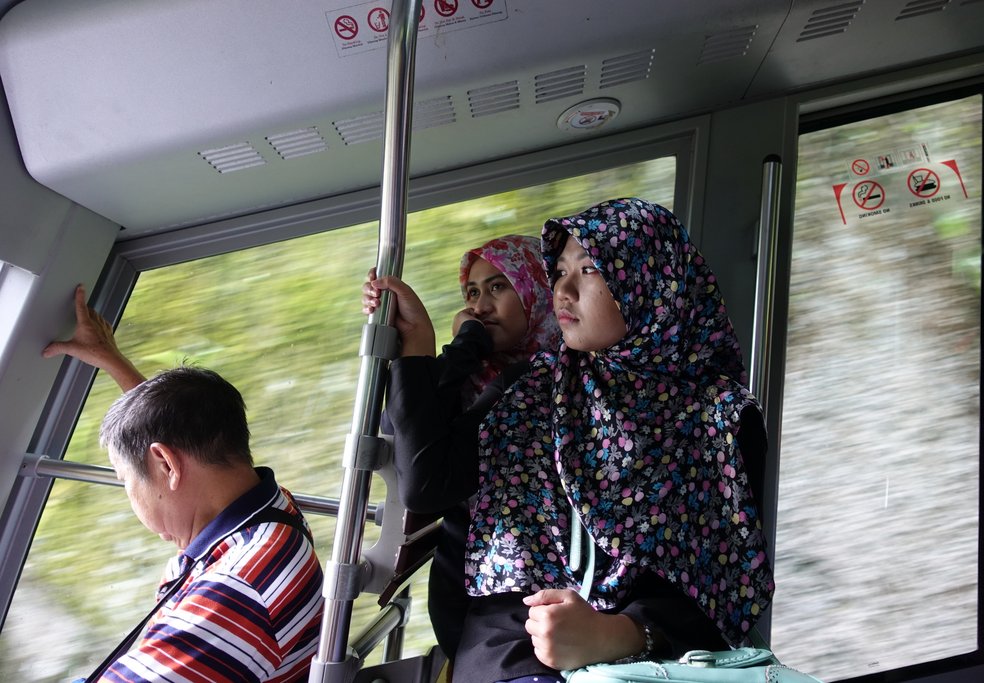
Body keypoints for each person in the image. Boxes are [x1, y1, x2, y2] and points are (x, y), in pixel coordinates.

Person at [382, 198, 774, 683]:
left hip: (657, 650)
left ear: (650, 282)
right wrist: (416, 349)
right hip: (516, 639)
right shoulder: (534, 387)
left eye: (588, 270)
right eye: (559, 272)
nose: (563, 291)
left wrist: (618, 634)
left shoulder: (722, 416)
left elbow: (728, 581)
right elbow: (428, 482)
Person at [43, 286, 324, 683]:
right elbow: (176, 436)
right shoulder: (272, 513)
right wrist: (112, 360)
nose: (130, 496)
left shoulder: (238, 587)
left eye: (126, 480)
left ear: (167, 465)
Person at [363, 235, 560, 659]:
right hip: (471, 601)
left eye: (497, 286)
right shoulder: (480, 376)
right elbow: (403, 429)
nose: (481, 306)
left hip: (518, 608)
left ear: (538, 289)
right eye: (472, 293)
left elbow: (424, 483)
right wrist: (448, 346)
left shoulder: (544, 381)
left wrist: (463, 341)